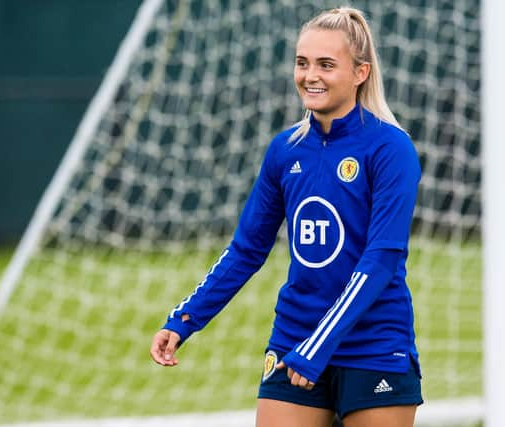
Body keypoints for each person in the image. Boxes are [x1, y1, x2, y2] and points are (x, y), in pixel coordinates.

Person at [150, 7, 423, 427]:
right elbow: (246, 249)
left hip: (373, 344)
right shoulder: (286, 150)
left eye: (326, 65)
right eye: (302, 63)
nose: (310, 75)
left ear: (360, 73)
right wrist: (185, 319)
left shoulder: (390, 148)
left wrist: (320, 344)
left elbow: (381, 258)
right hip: (294, 338)